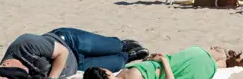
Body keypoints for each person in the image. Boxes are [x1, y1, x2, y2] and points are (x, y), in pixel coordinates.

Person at [0, 29, 148, 79]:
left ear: (6, 64)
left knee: (114, 46)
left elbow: (61, 52)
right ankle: (128, 54)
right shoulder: (21, 76)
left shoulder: (25, 45)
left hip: (69, 42)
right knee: (118, 63)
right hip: (76, 66)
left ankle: (123, 45)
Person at [83, 46, 235, 79]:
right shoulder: (128, 75)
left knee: (210, 61)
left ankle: (227, 59)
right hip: (178, 66)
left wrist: (147, 60)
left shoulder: (123, 73)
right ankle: (225, 56)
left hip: (178, 63)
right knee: (205, 56)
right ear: (106, 71)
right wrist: (163, 60)